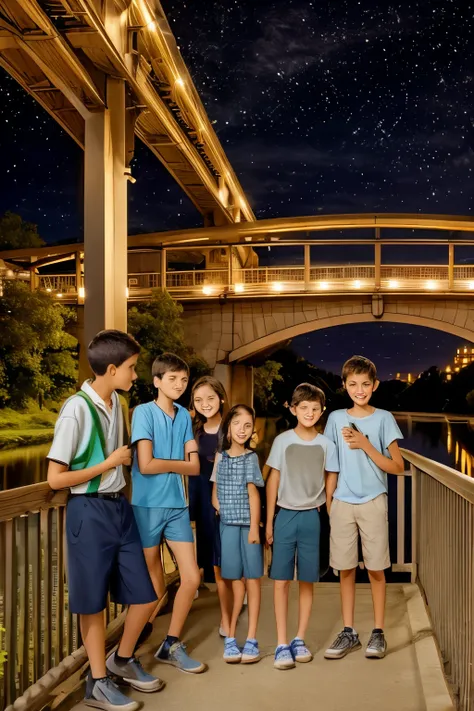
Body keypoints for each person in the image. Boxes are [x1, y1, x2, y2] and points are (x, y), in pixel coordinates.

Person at [47, 330, 163, 711]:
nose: (135, 375)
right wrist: (109, 464)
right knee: (92, 601)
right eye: (131, 368)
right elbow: (55, 478)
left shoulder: (116, 403)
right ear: (111, 369)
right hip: (88, 510)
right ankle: (97, 681)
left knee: (144, 593)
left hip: (119, 509)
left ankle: (122, 659)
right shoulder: (76, 409)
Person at [323, 355, 404, 660]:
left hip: (373, 501)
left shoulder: (383, 419)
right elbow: (332, 466)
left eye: (365, 384)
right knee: (344, 569)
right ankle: (349, 632)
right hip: (343, 503)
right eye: (353, 384)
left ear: (375, 385)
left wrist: (366, 444)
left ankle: (379, 632)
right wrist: (330, 503)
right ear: (344, 385)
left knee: (375, 569)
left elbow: (397, 466)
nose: (359, 389)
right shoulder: (334, 419)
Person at [131, 352, 206, 674]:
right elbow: (145, 466)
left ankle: (170, 642)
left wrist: (175, 465)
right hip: (146, 506)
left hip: (177, 506)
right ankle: (133, 643)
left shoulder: (185, 417)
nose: (179, 384)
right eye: (172, 379)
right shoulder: (143, 413)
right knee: (150, 580)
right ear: (157, 381)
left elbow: (197, 466)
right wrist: (181, 465)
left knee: (191, 577)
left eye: (184, 380)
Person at [265, 383, 339, 670]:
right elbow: (273, 481)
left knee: (307, 580)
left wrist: (331, 516)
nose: (309, 413)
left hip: (312, 517)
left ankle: (299, 638)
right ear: (293, 409)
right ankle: (282, 643)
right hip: (285, 515)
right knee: (281, 580)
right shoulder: (282, 441)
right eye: (303, 408)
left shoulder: (327, 445)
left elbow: (330, 480)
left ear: (322, 412)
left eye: (315, 409)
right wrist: (270, 520)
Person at [189, 376, 245, 639]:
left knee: (228, 554)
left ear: (221, 397)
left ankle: (233, 607)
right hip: (200, 497)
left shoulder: (233, 428)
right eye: (199, 400)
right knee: (212, 556)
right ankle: (226, 606)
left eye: (210, 398)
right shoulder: (193, 429)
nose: (205, 404)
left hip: (227, 499)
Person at [211, 405, 264, 664]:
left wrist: (255, 527)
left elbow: (254, 494)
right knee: (234, 579)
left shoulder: (251, 458)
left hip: (248, 526)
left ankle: (251, 638)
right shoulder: (220, 457)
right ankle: (231, 635)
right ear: (228, 428)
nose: (242, 430)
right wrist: (220, 506)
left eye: (247, 425)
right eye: (237, 424)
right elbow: (215, 491)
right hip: (228, 526)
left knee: (253, 579)